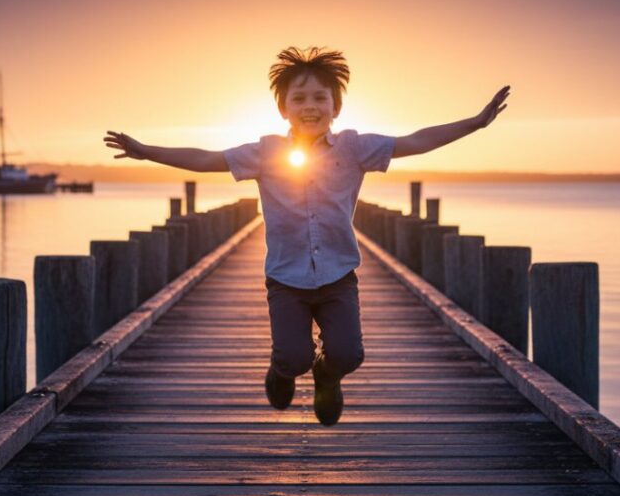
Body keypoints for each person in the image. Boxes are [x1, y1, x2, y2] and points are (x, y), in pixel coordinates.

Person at [103, 46, 509, 426]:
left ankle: (327, 376)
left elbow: (416, 141)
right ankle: (284, 371)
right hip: (286, 279)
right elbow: (206, 159)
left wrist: (474, 123)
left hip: (338, 276)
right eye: (299, 99)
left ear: (336, 106)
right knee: (292, 357)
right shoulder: (264, 153)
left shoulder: (355, 149)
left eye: (320, 98)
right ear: (283, 108)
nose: (310, 106)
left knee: (349, 355)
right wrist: (147, 151)